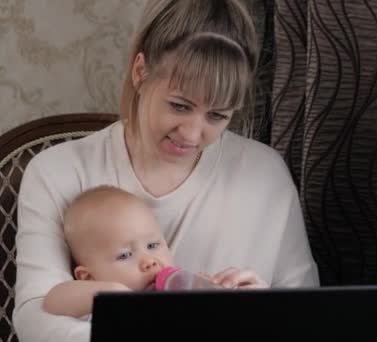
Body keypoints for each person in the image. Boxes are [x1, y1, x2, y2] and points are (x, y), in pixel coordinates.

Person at [13, 1, 319, 341]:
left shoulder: (266, 176)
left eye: (217, 115)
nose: (190, 134)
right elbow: (35, 317)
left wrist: (261, 311)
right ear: (140, 71)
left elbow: (307, 316)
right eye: (179, 105)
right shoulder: (57, 171)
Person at [43, 185, 174, 319]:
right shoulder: (99, 305)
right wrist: (113, 292)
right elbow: (52, 302)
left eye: (152, 245)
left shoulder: (179, 289)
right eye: (125, 255)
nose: (149, 261)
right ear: (88, 278)